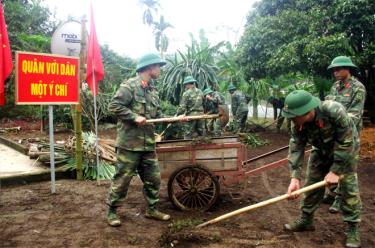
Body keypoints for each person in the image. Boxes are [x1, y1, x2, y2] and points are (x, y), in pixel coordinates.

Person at [282, 90, 362, 248]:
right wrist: (295, 177)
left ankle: (353, 228)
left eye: (294, 116)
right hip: (320, 150)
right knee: (311, 183)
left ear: (307, 111)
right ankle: (306, 220)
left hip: (346, 150)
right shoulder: (297, 122)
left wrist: (336, 171)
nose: (292, 120)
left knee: (348, 188)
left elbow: (346, 143)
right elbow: (296, 146)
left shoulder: (334, 111)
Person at [106, 53, 172, 227]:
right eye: (158, 66)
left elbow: (157, 116)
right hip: (129, 145)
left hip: (148, 144)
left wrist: (175, 118)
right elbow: (113, 106)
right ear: (149, 68)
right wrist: (134, 116)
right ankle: (112, 211)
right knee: (122, 179)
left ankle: (152, 209)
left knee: (154, 179)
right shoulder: (129, 86)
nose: (160, 70)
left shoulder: (153, 91)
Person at [323, 56, 367, 213]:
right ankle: (332, 193)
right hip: (334, 133)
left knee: (346, 164)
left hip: (349, 134)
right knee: (334, 160)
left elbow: (355, 115)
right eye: (334, 69)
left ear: (347, 69)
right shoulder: (335, 86)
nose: (335, 72)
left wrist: (339, 125)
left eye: (338, 69)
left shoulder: (358, 88)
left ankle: (339, 199)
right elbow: (328, 105)